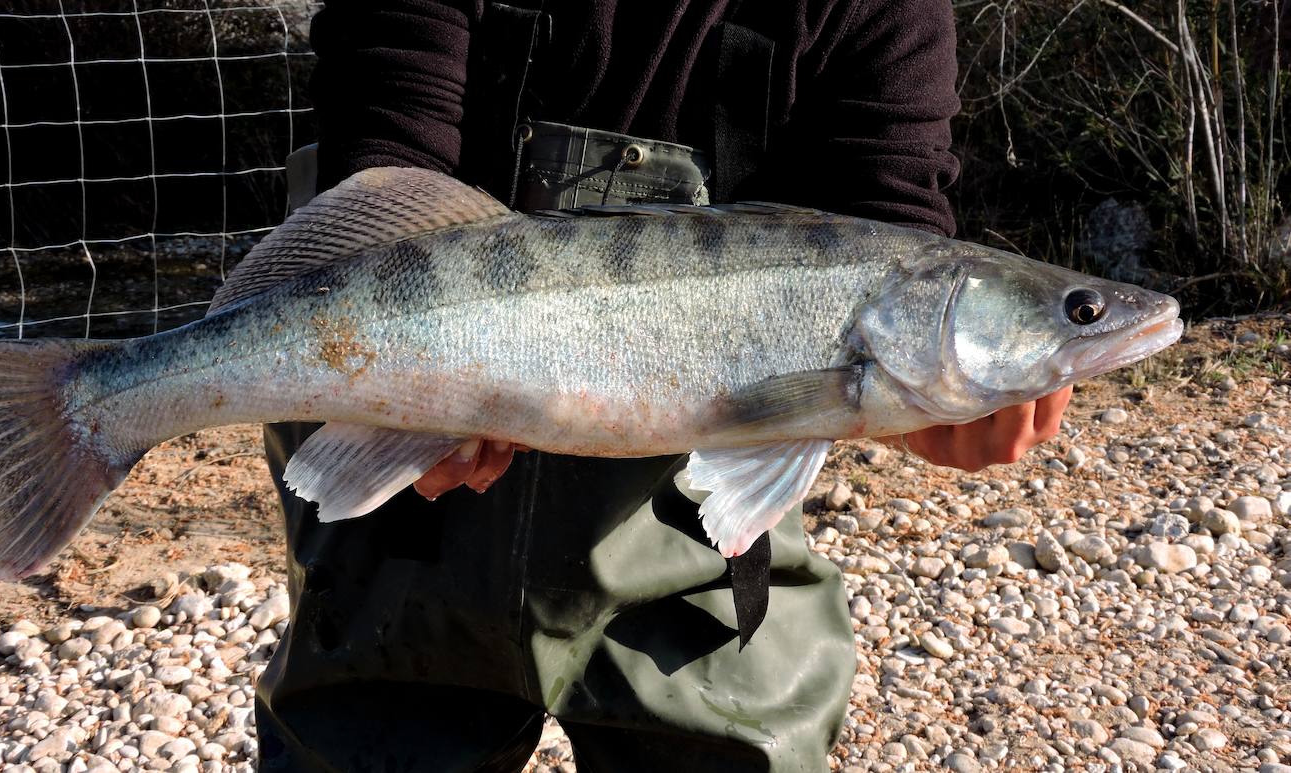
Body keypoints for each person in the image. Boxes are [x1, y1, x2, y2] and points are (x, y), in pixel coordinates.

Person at [253, 2, 1072, 771]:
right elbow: (389, 149)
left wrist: (922, 413)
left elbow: (887, 217)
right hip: (403, 511)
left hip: (692, 514)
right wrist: (391, 402)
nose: (1091, 326)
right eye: (1083, 313)